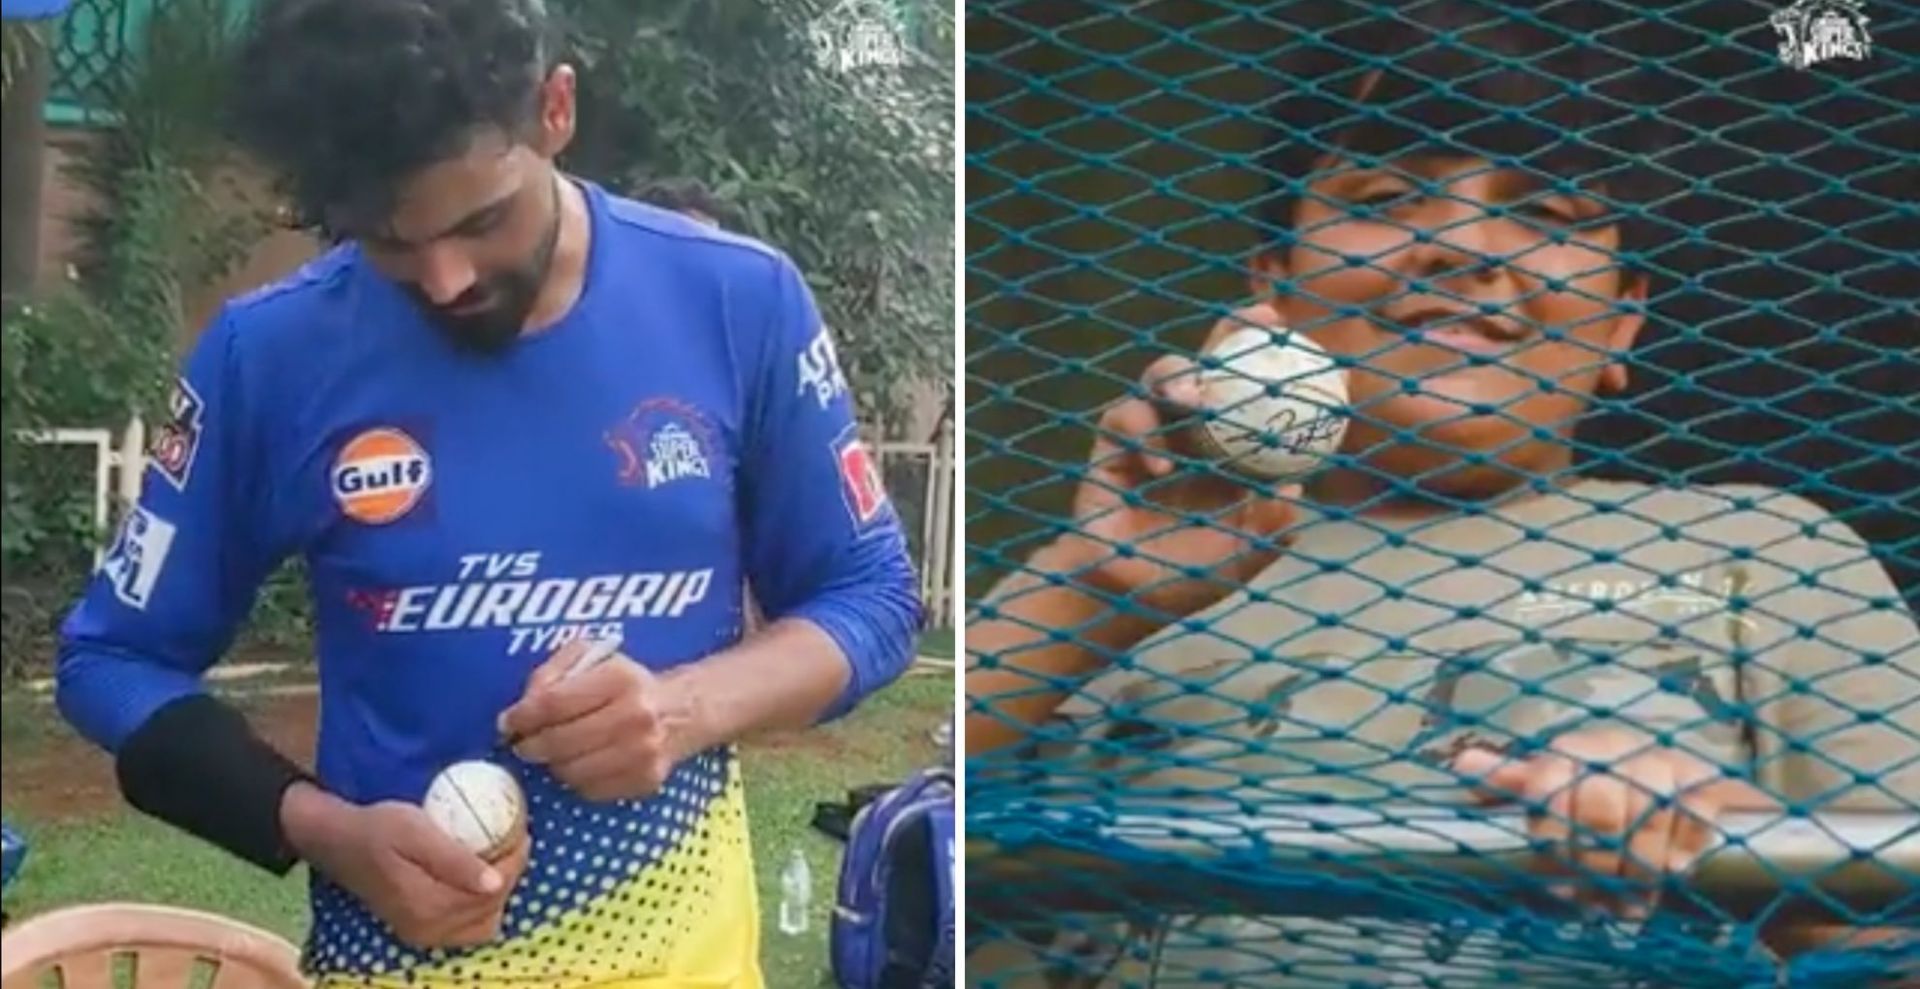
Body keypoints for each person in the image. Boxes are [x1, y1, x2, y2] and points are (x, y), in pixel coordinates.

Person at [964, 3, 1919, 986]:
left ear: (1623, 321)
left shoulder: (1762, 554)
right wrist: (1088, 590)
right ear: (1272, 282)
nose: (1463, 247)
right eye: (1383, 198)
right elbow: (879, 848)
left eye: (1545, 212)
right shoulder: (1123, 594)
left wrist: (1739, 844)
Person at [53, 1, 922, 987]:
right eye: (387, 242)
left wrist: (682, 709)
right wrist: (325, 828)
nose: (444, 278)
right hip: (401, 967)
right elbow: (111, 658)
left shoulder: (736, 300)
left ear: (555, 109)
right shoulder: (271, 356)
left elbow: (874, 595)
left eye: (482, 220)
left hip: (691, 957)